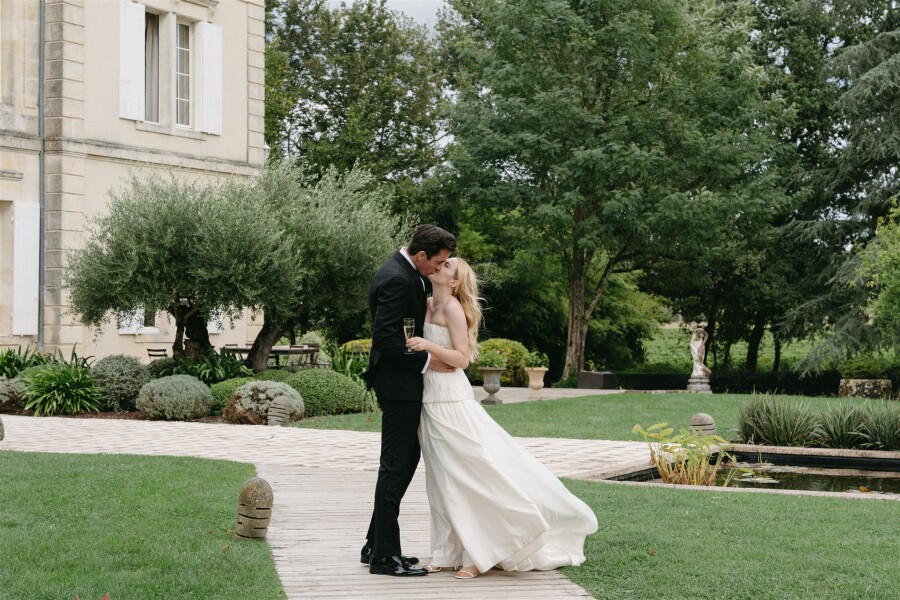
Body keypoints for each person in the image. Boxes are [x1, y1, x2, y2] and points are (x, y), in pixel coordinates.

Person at [405, 257, 598, 580]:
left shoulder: (452, 308)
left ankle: (477, 553)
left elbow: (462, 359)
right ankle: (446, 551)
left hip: (452, 400)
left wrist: (426, 345)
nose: (440, 265)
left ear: (454, 282)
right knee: (439, 481)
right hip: (430, 400)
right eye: (440, 262)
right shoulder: (424, 305)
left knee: (468, 475)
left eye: (448, 265)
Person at [361, 224, 457, 577]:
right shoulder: (398, 278)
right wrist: (430, 360)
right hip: (398, 385)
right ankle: (385, 556)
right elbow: (386, 337)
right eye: (438, 262)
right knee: (396, 465)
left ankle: (374, 544)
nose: (439, 268)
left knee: (402, 462)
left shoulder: (404, 271)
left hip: (401, 383)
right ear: (421, 255)